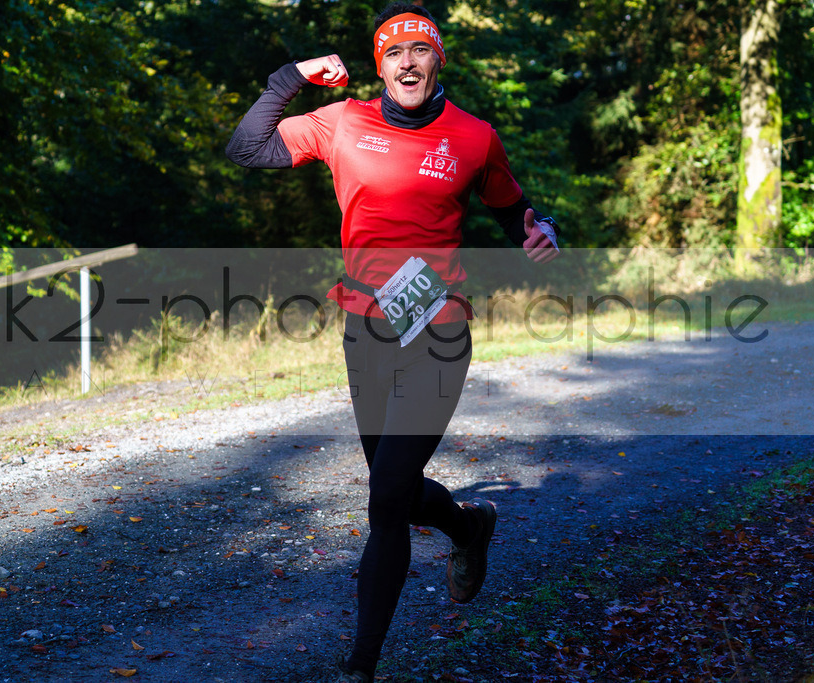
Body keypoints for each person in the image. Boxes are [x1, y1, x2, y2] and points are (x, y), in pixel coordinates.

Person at [226, 4, 560, 681]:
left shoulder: (473, 137)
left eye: (420, 48)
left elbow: (512, 206)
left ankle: (361, 666)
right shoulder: (343, 121)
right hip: (366, 330)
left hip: (440, 332)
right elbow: (247, 146)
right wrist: (292, 74)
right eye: (392, 52)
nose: (407, 60)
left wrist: (538, 230)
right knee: (397, 492)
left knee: (383, 503)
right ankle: (469, 526)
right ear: (378, 64)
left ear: (440, 59)